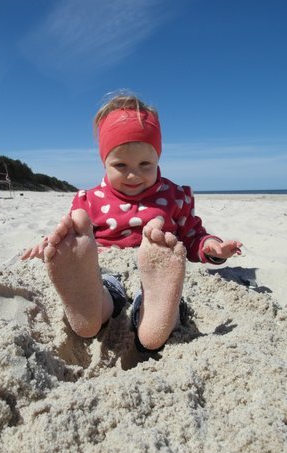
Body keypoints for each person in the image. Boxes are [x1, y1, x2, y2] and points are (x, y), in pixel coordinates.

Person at [22, 94, 242, 352]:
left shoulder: (174, 197)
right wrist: (52, 245)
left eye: (145, 164)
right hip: (105, 265)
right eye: (120, 164)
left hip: (157, 269)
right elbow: (73, 238)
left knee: (162, 291)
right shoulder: (89, 201)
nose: (133, 174)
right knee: (103, 286)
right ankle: (90, 311)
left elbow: (192, 235)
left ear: (158, 158)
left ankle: (155, 319)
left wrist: (211, 247)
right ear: (104, 161)